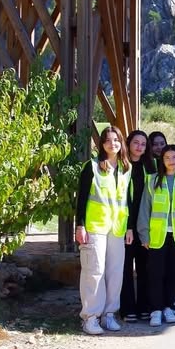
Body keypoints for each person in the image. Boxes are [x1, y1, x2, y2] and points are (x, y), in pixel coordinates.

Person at [75, 126, 132, 335]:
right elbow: (81, 199)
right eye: (108, 140)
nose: (112, 144)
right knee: (94, 271)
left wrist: (131, 227)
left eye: (116, 140)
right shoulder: (92, 167)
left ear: (121, 143)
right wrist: (79, 225)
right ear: (102, 145)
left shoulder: (127, 169)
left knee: (115, 272)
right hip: (95, 227)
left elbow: (128, 200)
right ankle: (91, 317)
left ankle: (109, 314)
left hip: (117, 227)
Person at [138, 145, 175, 327]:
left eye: (174, 157)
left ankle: (169, 307)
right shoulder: (152, 180)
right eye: (167, 157)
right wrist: (144, 235)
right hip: (157, 236)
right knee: (156, 274)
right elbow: (144, 209)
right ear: (162, 161)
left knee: (174, 273)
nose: (171, 160)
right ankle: (155, 310)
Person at [120, 129, 150, 323]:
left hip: (145, 225)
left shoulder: (151, 166)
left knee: (145, 267)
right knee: (125, 269)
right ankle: (127, 308)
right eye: (136, 143)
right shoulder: (122, 167)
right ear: (128, 144)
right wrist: (129, 226)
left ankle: (144, 306)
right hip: (125, 225)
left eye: (143, 144)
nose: (139, 147)